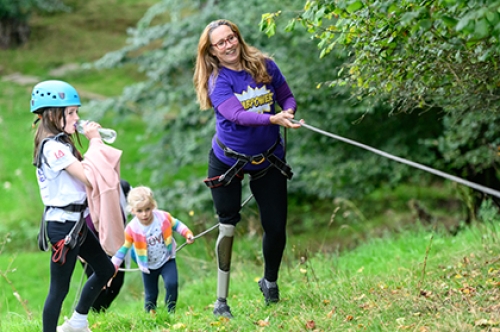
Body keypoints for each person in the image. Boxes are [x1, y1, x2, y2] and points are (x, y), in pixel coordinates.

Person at [193, 19, 302, 318]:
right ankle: (221, 301)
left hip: (268, 158)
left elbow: (286, 96)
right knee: (228, 226)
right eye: (221, 43)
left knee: (276, 227)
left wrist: (288, 111)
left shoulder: (265, 65)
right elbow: (238, 115)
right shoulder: (218, 81)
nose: (228, 45)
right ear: (212, 51)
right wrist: (273, 119)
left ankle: (270, 282)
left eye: (231, 38)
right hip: (228, 161)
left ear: (238, 39)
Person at [31, 80, 116, 332]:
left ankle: (77, 322)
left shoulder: (61, 142)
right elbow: (89, 177)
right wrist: (95, 141)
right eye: (70, 112)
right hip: (62, 226)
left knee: (104, 269)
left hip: (75, 223)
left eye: (76, 111)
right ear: (51, 114)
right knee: (59, 288)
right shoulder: (53, 148)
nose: (77, 117)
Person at [110, 186, 195, 313]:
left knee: (172, 284)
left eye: (148, 209)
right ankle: (150, 316)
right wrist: (113, 267)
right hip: (148, 267)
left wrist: (187, 233)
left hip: (167, 260)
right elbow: (123, 248)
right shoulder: (132, 228)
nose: (144, 214)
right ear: (132, 210)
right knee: (151, 295)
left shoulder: (163, 217)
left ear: (153, 205)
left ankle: (170, 312)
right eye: (139, 211)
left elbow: (176, 224)